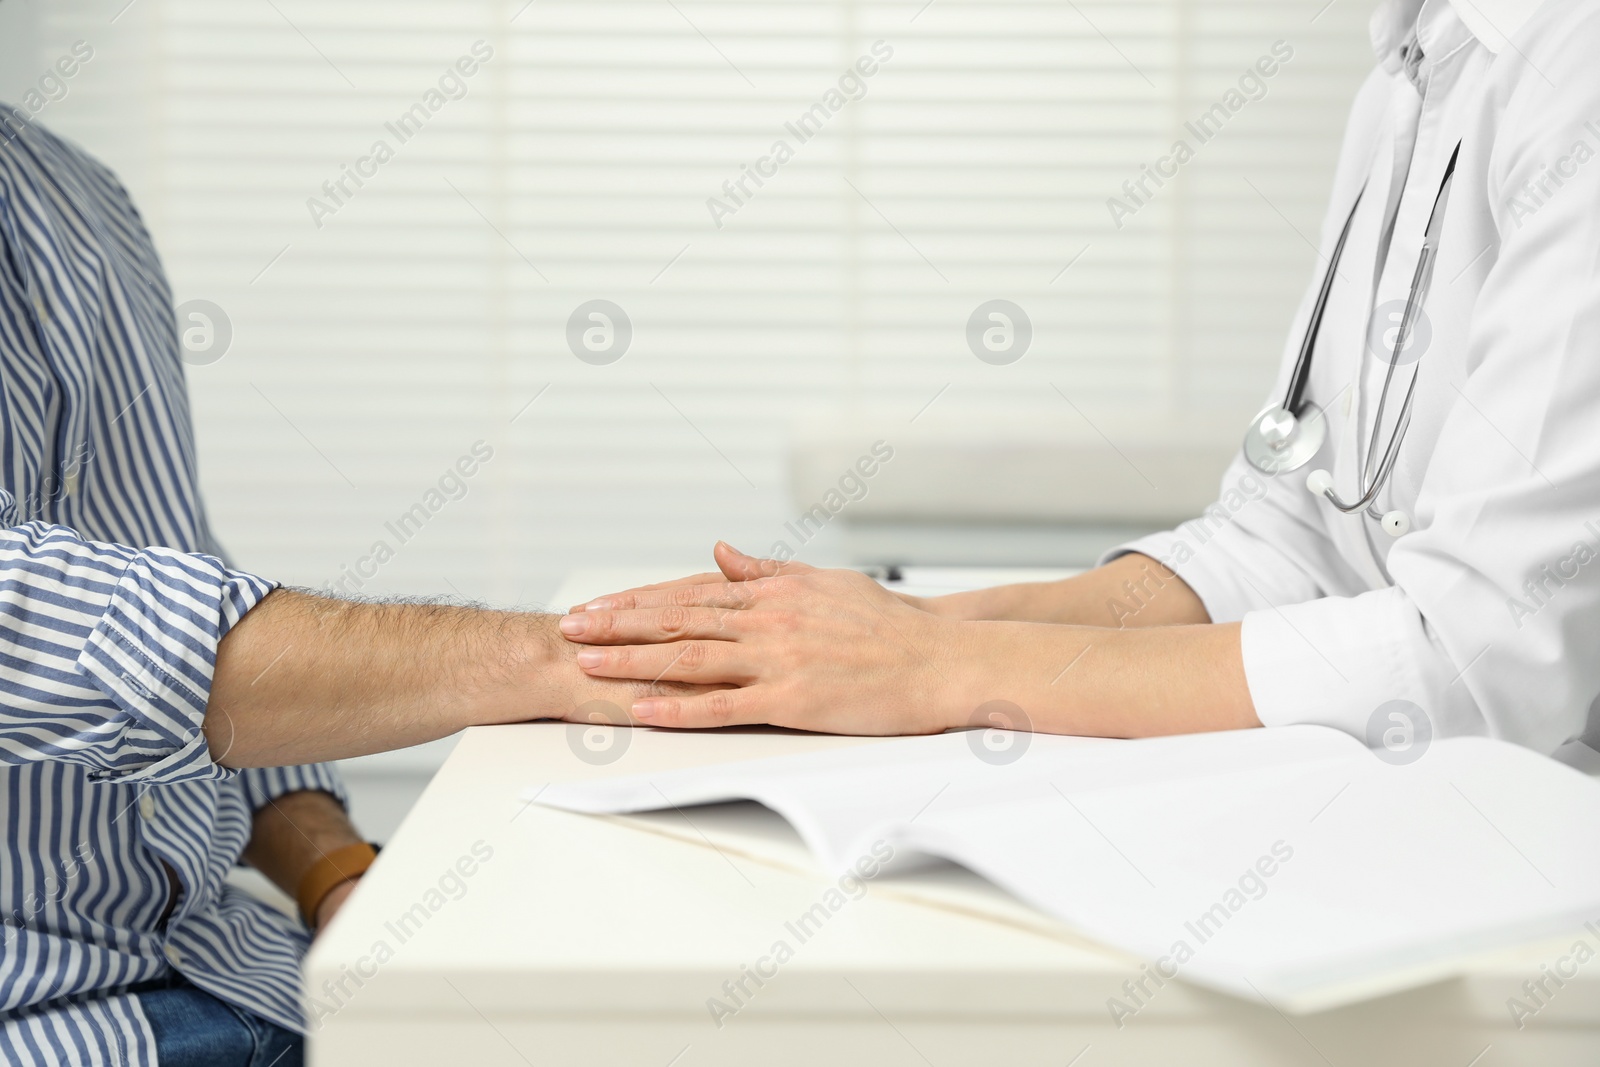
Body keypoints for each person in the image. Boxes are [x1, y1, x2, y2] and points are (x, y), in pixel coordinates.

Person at [558, 0, 1600, 760]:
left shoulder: (1574, 66)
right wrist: (919, 631)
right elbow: (1290, 540)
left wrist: (936, 671)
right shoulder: (1412, 65)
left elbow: (1482, 657)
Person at [0, 114, 685, 1065]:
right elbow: (31, 618)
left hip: (241, 971)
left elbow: (177, 573)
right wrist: (551, 654)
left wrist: (335, 869)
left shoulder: (77, 194)